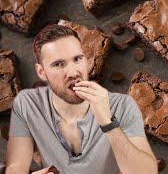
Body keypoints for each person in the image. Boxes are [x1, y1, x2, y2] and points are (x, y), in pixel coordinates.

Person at [5, 24, 157, 174]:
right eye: (58, 64)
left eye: (77, 59)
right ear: (41, 72)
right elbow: (15, 167)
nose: (72, 72)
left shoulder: (122, 105)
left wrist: (108, 123)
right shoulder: (27, 104)